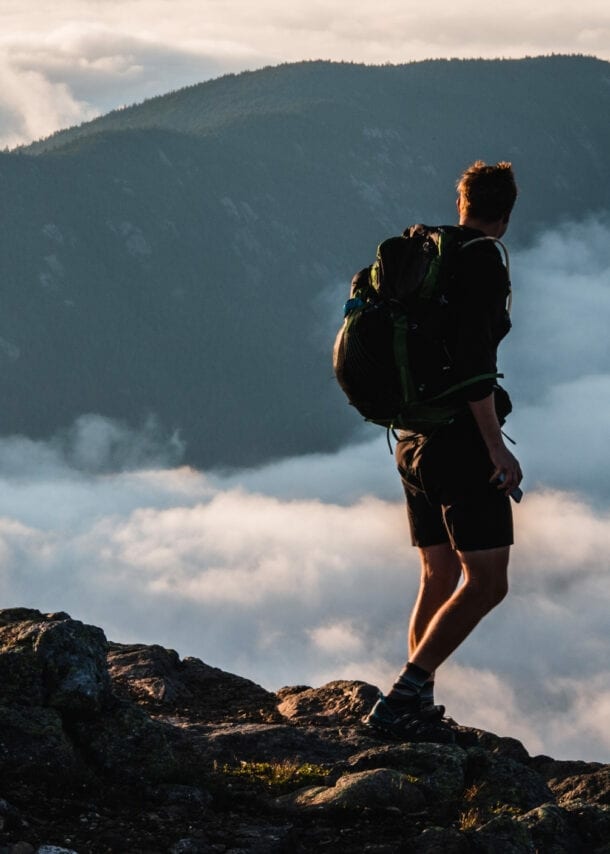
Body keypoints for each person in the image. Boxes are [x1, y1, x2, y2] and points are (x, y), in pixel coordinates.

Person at [364, 160, 523, 740]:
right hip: (458, 443)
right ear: (504, 216)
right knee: (487, 583)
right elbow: (476, 364)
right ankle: (405, 695)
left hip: (411, 441)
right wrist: (495, 450)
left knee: (438, 571)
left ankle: (416, 701)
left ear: (462, 204)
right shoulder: (480, 263)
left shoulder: (425, 252)